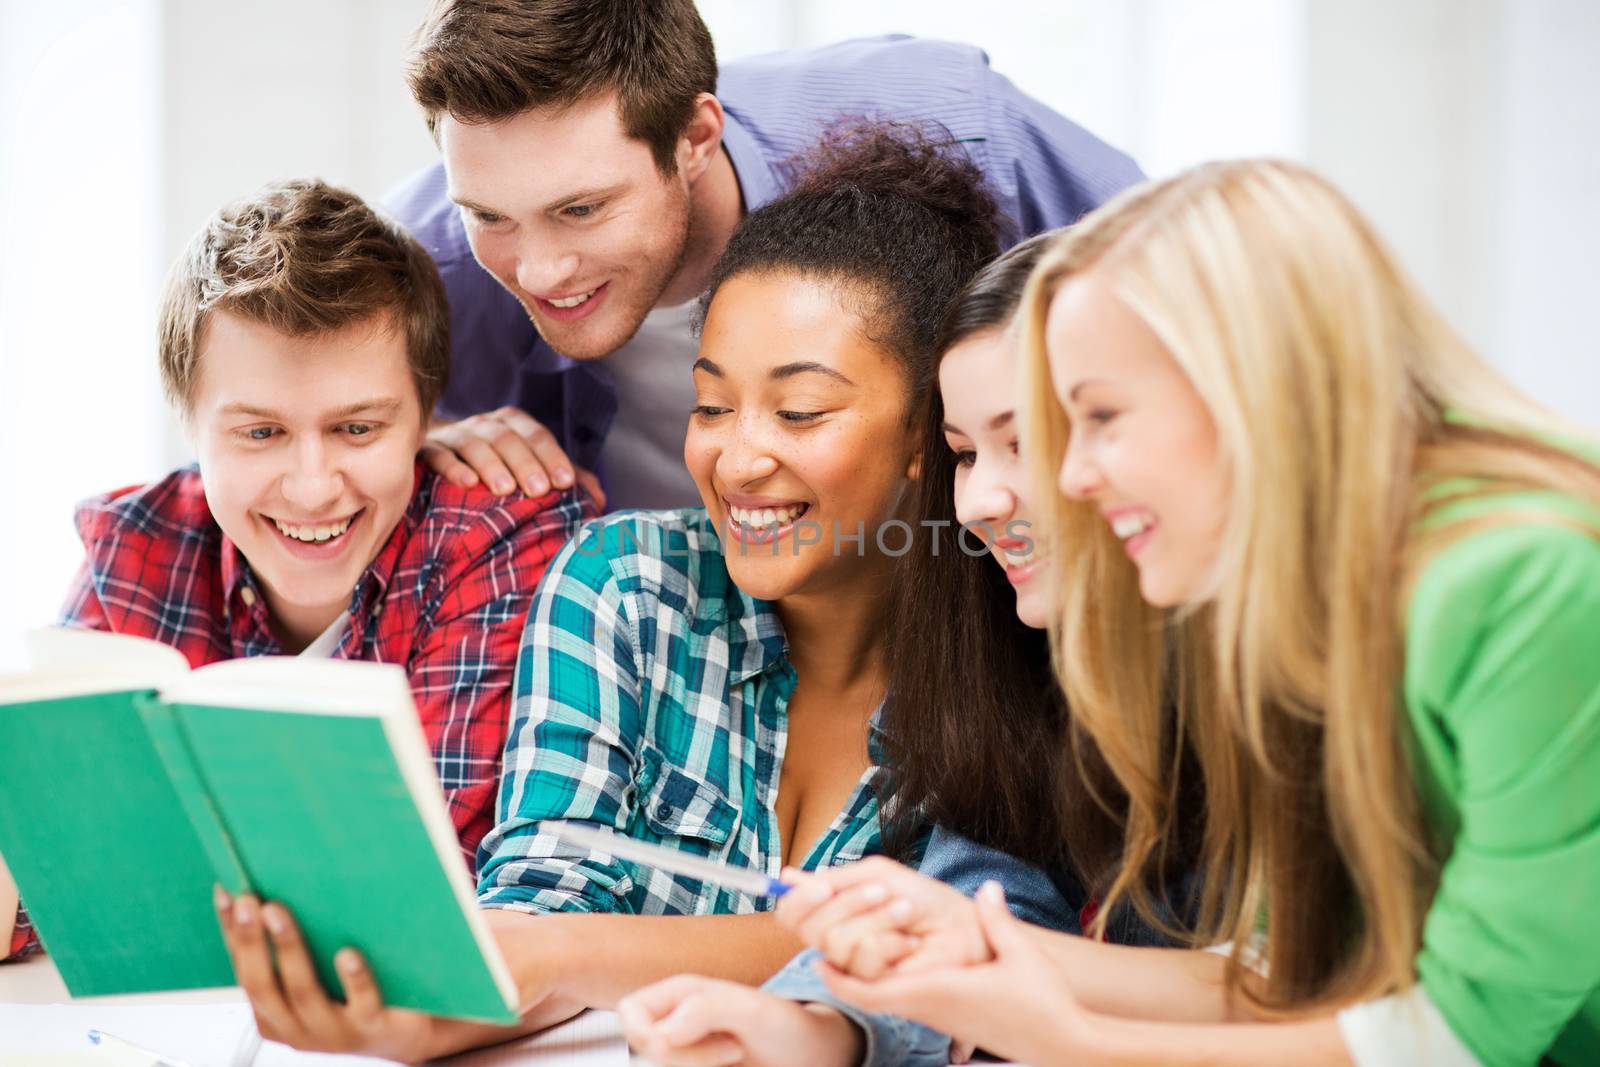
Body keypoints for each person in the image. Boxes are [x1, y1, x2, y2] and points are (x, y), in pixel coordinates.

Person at [750, 160, 1600, 1067]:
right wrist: (981, 944)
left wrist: (1068, 1038)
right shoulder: (1286, 604)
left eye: (1098, 418)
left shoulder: (1522, 583)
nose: (1074, 477)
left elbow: (1467, 1036)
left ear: (1250, 387)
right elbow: (1284, 974)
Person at [211, 122, 1012, 1061]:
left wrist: (561, 955)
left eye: (798, 411)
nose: (737, 457)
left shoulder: (1008, 653)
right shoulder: (624, 586)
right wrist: (418, 1015)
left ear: (931, 429)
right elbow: (539, 907)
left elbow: (956, 946)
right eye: (711, 405)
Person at [616, 238, 1202, 1067]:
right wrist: (810, 1029)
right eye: (967, 453)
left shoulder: (1325, 671)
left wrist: (1056, 1017)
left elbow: (1338, 1005)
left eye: (1026, 441)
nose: (980, 502)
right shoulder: (1040, 663)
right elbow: (993, 897)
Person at [0, 179, 592, 963]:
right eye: (260, 432)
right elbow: (40, 877)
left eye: (357, 427)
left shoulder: (493, 539)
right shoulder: (136, 542)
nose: (312, 486)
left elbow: (416, 896)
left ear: (429, 415)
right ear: (188, 424)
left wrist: (126, 870)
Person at [390, 0, 1144, 511]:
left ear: (694, 139)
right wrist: (403, 439)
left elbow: (1200, 310)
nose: (539, 270)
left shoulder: (951, 126)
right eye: (490, 216)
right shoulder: (422, 265)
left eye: (581, 210)